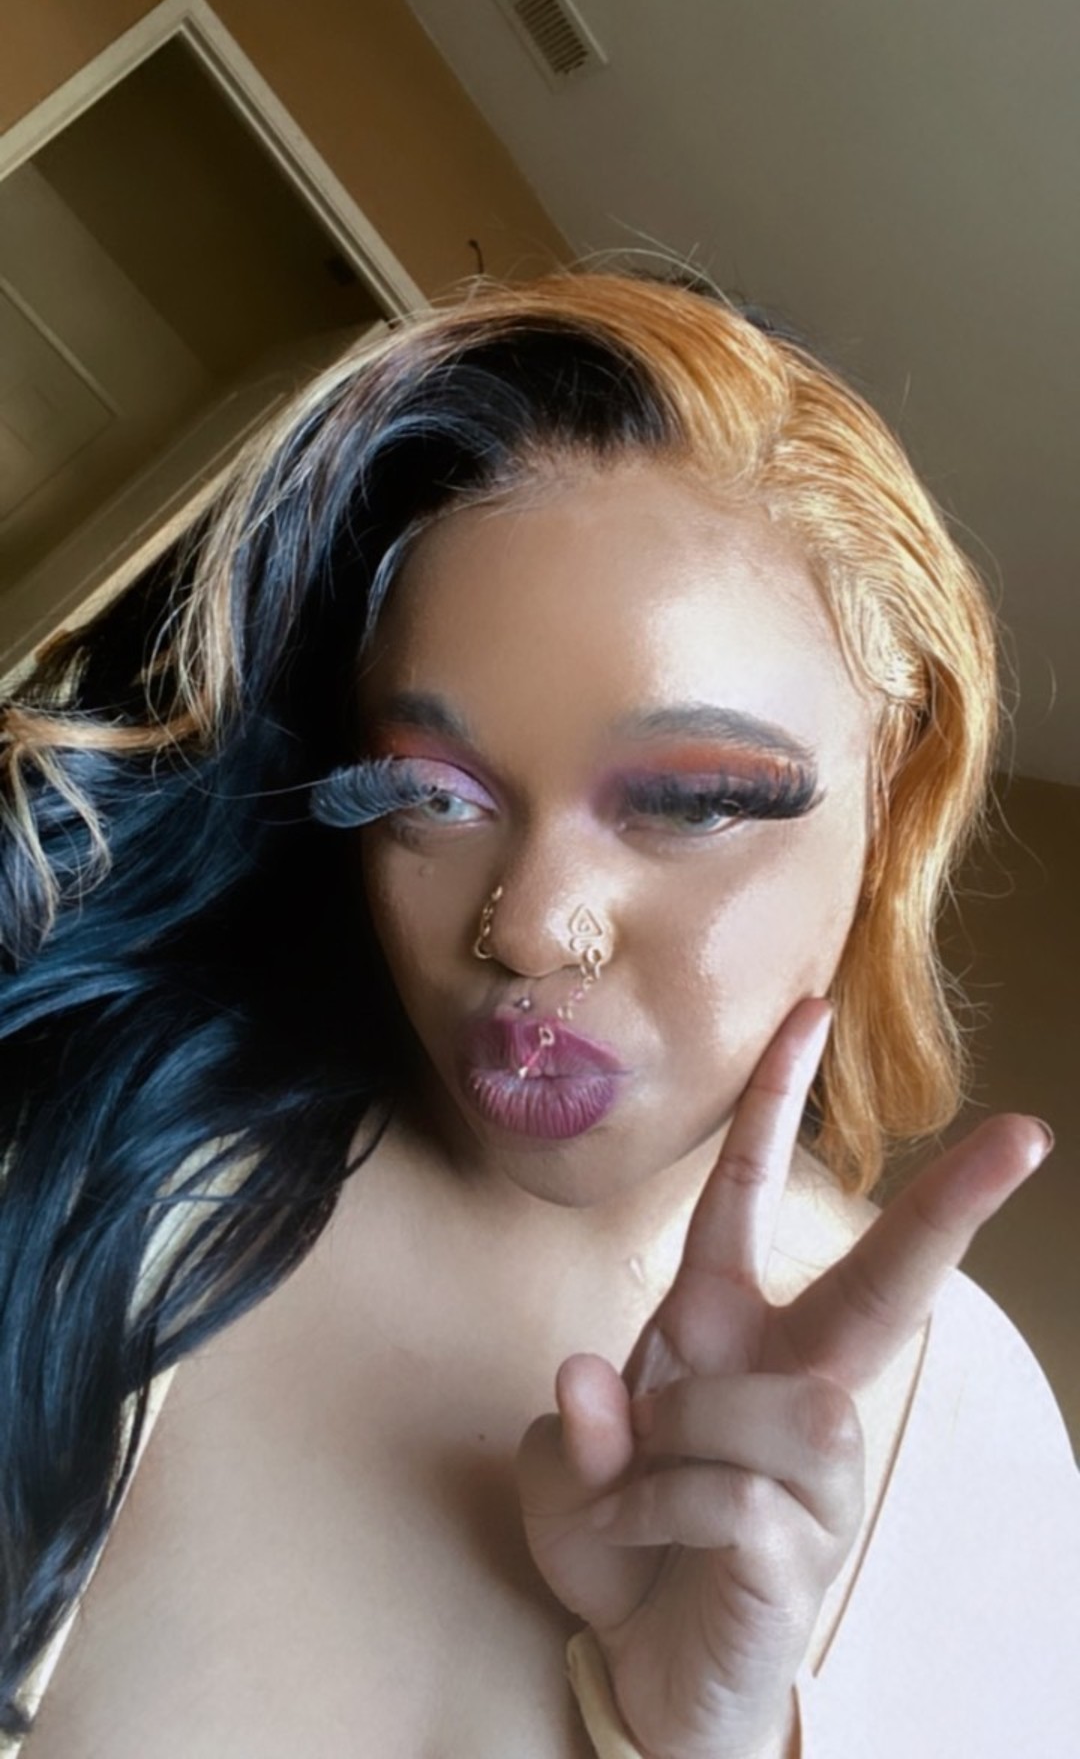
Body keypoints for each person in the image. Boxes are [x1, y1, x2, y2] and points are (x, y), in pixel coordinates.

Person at [0, 270, 1076, 1757]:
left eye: (691, 801)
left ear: (894, 788)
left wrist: (705, 1737)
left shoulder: (980, 1450)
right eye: (430, 797)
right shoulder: (95, 1181)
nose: (524, 927)